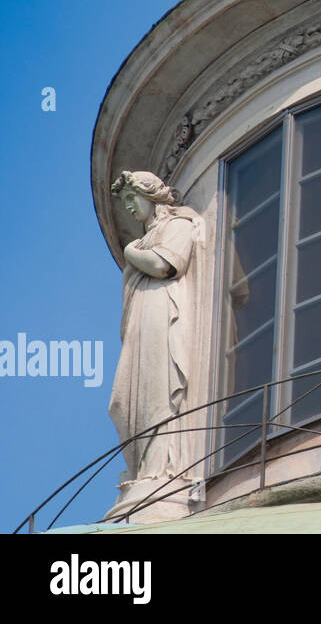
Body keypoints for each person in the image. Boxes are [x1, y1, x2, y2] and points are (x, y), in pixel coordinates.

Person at [108, 170, 200, 487]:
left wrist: (131, 252)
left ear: (151, 196)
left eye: (132, 198)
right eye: (124, 203)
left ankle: (163, 469)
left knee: (162, 386)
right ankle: (146, 468)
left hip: (164, 311)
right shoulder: (144, 240)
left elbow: (164, 266)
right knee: (127, 399)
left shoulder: (179, 224)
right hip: (141, 321)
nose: (129, 208)